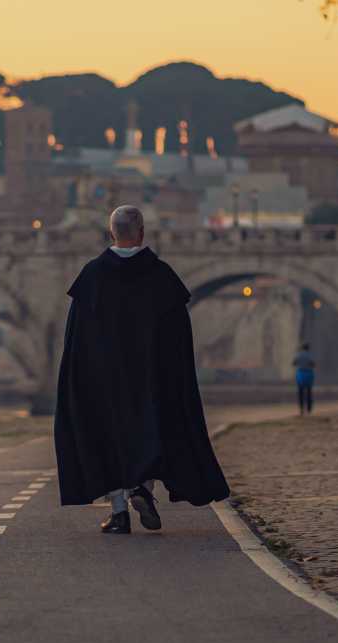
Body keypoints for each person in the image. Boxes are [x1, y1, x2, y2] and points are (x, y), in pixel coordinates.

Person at [54, 205, 230, 535]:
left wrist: (78, 380)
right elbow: (179, 336)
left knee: (107, 438)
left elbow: (76, 338)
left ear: (112, 234)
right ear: (142, 232)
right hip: (151, 377)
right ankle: (143, 489)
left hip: (105, 379)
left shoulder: (92, 276)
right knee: (149, 433)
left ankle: (119, 513)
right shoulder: (161, 276)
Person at [292, 343, 316, 415]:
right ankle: (309, 409)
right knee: (309, 392)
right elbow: (313, 364)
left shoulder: (298, 355)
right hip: (308, 374)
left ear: (302, 348)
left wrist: (300, 364)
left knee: (300, 392)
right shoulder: (310, 355)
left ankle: (301, 408)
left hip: (301, 374)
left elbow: (294, 363)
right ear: (308, 348)